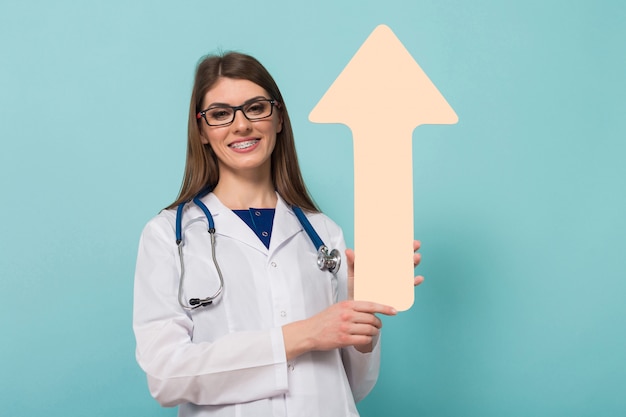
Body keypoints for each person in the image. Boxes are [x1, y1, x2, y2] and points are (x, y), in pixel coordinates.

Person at [133, 51, 423, 417]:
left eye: (256, 108)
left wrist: (358, 308)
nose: (241, 126)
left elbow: (352, 385)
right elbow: (166, 376)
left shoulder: (323, 232)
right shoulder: (168, 236)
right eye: (221, 114)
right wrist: (303, 335)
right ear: (202, 131)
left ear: (279, 117)